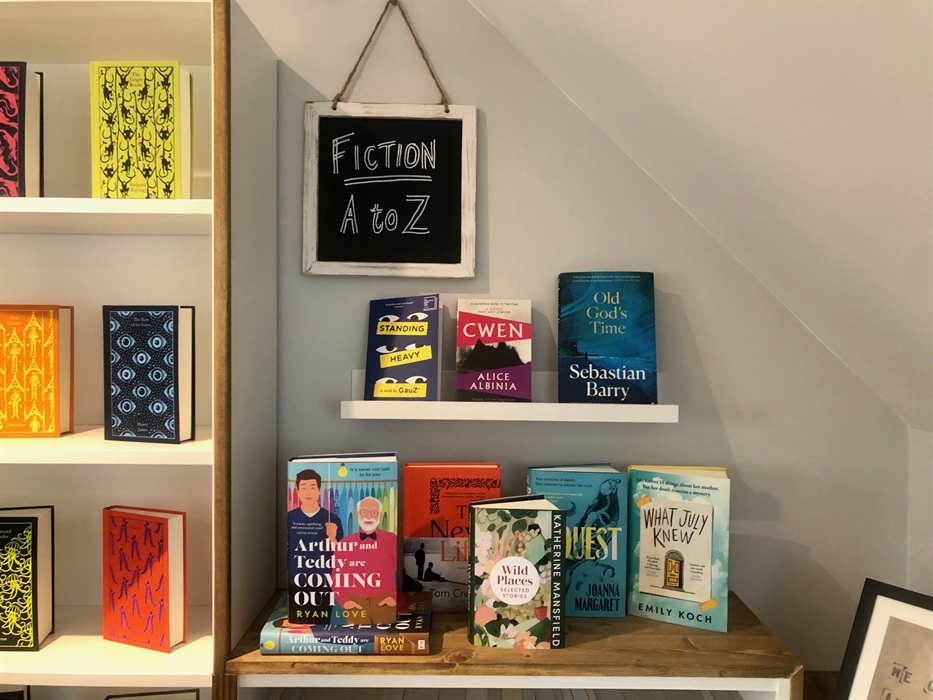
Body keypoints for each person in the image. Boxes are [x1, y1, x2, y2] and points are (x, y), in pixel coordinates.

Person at [287, 469, 344, 620]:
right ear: (297, 491)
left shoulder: (333, 520)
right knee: (298, 623)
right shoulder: (289, 518)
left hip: (324, 583)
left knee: (322, 623)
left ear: (319, 491)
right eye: (304, 487)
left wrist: (333, 539)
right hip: (295, 582)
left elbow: (342, 556)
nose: (308, 492)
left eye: (313, 487)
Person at [332, 496, 397, 625]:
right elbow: (336, 577)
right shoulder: (344, 543)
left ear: (379, 515)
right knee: (356, 638)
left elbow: (401, 573)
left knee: (385, 636)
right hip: (355, 604)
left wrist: (393, 597)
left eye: (373, 512)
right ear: (357, 515)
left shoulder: (392, 540)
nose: (369, 516)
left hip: (385, 603)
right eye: (364, 512)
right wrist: (345, 601)